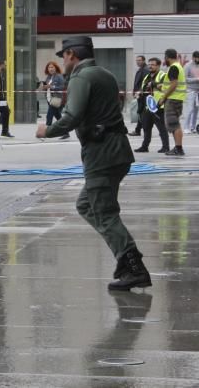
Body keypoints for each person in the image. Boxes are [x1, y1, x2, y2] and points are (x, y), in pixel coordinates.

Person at [36, 36, 151, 290]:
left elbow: (73, 116)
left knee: (105, 212)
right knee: (87, 204)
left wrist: (47, 131)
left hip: (101, 153)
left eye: (63, 56)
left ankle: (134, 267)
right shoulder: (105, 74)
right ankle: (125, 259)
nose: (62, 61)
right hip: (118, 150)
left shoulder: (80, 77)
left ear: (71, 55)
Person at [135, 58, 170, 154]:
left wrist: (154, 84)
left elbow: (166, 88)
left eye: (153, 64)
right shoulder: (146, 77)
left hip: (158, 107)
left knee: (161, 128)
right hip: (147, 107)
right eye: (149, 64)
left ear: (158, 66)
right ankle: (144, 146)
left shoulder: (163, 75)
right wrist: (139, 93)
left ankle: (166, 147)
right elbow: (143, 89)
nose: (150, 66)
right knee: (146, 128)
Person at [160, 48, 186, 156]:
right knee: (175, 124)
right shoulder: (179, 66)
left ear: (167, 57)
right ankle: (177, 148)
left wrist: (164, 98)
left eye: (165, 58)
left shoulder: (173, 67)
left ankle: (179, 149)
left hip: (173, 100)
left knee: (174, 124)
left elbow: (174, 84)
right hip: (177, 99)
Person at [39, 61, 70, 139]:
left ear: (56, 68)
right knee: (59, 117)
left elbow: (62, 87)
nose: (51, 69)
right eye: (49, 67)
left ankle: (45, 133)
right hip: (50, 99)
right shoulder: (48, 77)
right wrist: (44, 87)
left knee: (49, 116)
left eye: (52, 67)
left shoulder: (59, 76)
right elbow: (47, 87)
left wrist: (51, 87)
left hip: (57, 99)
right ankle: (66, 132)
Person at [130, 55, 147, 136]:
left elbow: (144, 83)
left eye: (139, 60)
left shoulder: (145, 70)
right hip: (139, 95)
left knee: (142, 112)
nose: (138, 62)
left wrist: (139, 92)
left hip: (142, 95)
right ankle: (138, 130)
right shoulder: (141, 69)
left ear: (144, 60)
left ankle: (139, 130)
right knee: (141, 112)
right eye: (137, 60)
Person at [185, 51, 199, 135]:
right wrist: (196, 79)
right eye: (197, 58)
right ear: (193, 57)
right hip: (190, 90)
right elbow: (185, 79)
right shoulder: (188, 66)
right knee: (190, 109)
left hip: (198, 91)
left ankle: (193, 127)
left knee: (196, 110)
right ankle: (186, 127)